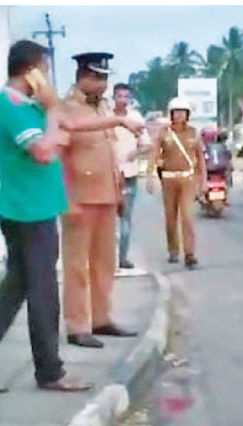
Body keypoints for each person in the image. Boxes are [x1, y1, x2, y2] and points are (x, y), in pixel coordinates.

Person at [0, 40, 138, 392]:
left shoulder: (26, 104)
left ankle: (47, 369)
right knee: (43, 293)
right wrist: (54, 108)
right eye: (44, 68)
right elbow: (44, 151)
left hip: (32, 207)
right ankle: (50, 372)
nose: (49, 77)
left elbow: (71, 128)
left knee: (15, 291)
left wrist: (116, 119)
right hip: (29, 211)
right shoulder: (12, 106)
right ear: (32, 71)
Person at [60, 52, 139, 348]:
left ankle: (101, 318)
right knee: (77, 265)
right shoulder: (68, 110)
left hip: (105, 196)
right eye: (97, 78)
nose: (103, 85)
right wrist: (66, 199)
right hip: (79, 199)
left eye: (105, 78)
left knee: (105, 263)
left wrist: (118, 193)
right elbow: (59, 158)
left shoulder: (102, 110)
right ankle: (77, 325)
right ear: (82, 77)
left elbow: (109, 156)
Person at [146, 97, 207, 269]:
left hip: (187, 179)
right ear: (170, 114)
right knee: (170, 217)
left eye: (183, 112)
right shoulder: (164, 133)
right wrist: (150, 176)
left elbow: (201, 158)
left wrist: (204, 181)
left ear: (188, 114)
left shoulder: (194, 133)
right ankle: (173, 250)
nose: (179, 115)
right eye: (176, 112)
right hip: (168, 179)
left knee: (187, 217)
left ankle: (190, 254)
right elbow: (155, 154)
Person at [112, 82, 151, 270]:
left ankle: (122, 257)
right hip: (108, 175)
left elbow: (146, 144)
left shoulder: (135, 118)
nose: (122, 100)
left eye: (126, 97)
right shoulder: (106, 117)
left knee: (125, 219)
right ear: (113, 97)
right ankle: (106, 258)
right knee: (106, 220)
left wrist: (132, 155)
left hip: (129, 174)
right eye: (119, 96)